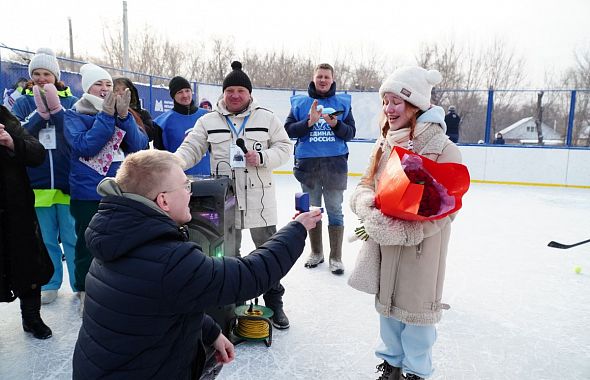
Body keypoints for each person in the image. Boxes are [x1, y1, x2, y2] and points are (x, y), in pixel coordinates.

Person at [72, 149, 321, 379]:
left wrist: (211, 332)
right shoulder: (168, 260)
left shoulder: (114, 240)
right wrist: (297, 229)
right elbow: (249, 276)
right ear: (164, 201)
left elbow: (162, 301)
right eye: (186, 186)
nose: (191, 192)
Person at [349, 66, 462, 380]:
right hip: (385, 247)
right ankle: (392, 365)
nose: (389, 108)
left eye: (397, 101)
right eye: (385, 101)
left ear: (417, 106)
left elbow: (448, 207)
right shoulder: (384, 143)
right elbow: (365, 184)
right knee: (388, 313)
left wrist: (407, 230)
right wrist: (368, 208)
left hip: (420, 250)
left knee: (416, 319)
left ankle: (415, 371)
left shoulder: (443, 149)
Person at [175, 61, 294, 329]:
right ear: (224, 93)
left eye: (241, 90)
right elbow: (190, 148)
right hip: (224, 201)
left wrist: (262, 156)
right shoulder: (208, 121)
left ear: (249, 94)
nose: (235, 95)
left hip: (260, 201)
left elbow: (285, 148)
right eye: (230, 90)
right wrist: (172, 164)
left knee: (269, 252)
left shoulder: (266, 118)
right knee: (229, 255)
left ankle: (274, 301)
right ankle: (234, 303)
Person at [64, 63, 148, 313]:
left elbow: (139, 146)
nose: (104, 89)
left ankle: (119, 284)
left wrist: (124, 118)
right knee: (88, 242)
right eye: (98, 84)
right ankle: (85, 288)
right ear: (87, 87)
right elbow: (85, 146)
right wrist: (107, 116)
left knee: (124, 240)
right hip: (88, 192)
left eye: (108, 84)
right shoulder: (74, 114)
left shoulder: (122, 112)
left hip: (121, 189)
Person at [12, 47, 79, 304]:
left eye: (46, 74)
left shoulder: (71, 101)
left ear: (55, 76)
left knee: (72, 238)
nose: (41, 78)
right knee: (47, 240)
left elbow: (74, 132)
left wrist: (56, 109)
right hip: (38, 184)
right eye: (37, 73)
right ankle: (51, 283)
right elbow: (18, 134)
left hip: (66, 182)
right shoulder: (23, 103)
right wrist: (40, 114)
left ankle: (78, 283)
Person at [284, 63, 356, 275]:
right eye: (319, 76)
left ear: (332, 80)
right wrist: (309, 121)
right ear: (314, 78)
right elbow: (289, 131)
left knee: (334, 210)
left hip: (335, 167)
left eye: (326, 77)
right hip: (309, 168)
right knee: (312, 211)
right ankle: (316, 253)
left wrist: (336, 125)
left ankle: (336, 257)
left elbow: (350, 133)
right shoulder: (300, 103)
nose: (323, 80)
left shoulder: (342, 102)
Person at [0, 105, 54, 339]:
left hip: (16, 210)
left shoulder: (3, 116)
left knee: (29, 264)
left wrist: (11, 141)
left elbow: (37, 152)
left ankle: (31, 317)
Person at [153, 76, 210, 175]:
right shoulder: (161, 123)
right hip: (178, 180)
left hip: (209, 178)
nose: (185, 95)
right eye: (179, 92)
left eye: (187, 90)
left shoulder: (207, 116)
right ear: (173, 96)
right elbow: (160, 160)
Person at [113, 77, 156, 141]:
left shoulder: (143, 113)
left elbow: (150, 135)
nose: (121, 92)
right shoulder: (108, 113)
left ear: (132, 92)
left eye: (124, 89)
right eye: (116, 90)